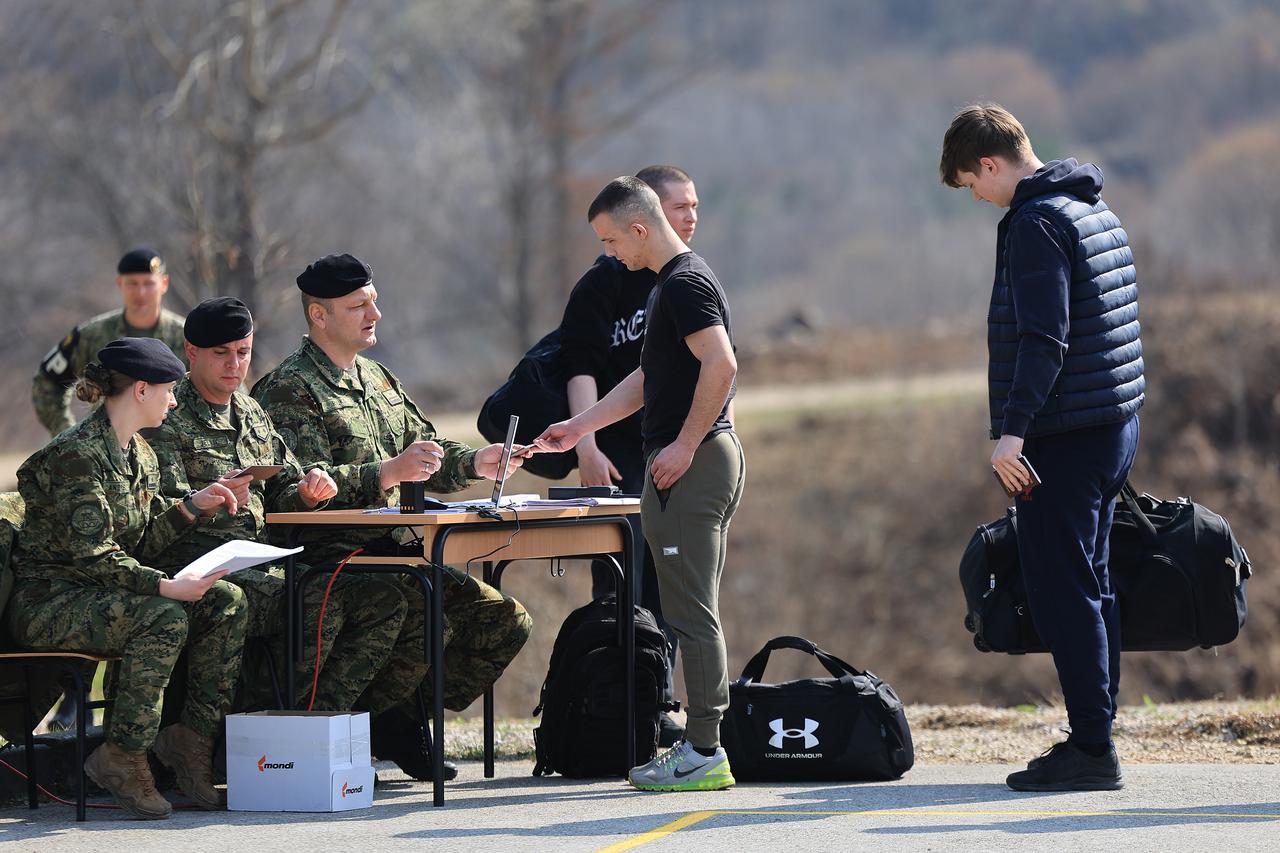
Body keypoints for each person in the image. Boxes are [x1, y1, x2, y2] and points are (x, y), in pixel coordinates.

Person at [251, 253, 533, 781]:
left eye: (374, 301)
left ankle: (393, 715)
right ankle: (353, 733)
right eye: (358, 306)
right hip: (328, 557)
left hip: (390, 554)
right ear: (319, 315)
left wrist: (476, 461)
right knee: (422, 613)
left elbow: (425, 451)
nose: (374, 314)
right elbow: (297, 488)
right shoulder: (289, 388)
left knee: (501, 619)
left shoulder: (377, 378)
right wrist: (384, 473)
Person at [940, 103, 1144, 791]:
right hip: (1113, 424)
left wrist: (1012, 431)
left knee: (1063, 590)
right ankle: (1097, 730)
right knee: (1093, 580)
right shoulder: (1090, 206)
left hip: (1063, 435)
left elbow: (1045, 339)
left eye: (972, 183)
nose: (977, 196)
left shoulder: (1035, 224)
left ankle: (1091, 749)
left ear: (989, 163)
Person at [534, 177, 745, 792]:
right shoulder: (667, 285)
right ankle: (701, 747)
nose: (609, 253)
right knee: (685, 607)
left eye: (610, 240)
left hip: (694, 463)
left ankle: (703, 750)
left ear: (639, 229)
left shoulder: (683, 283)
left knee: (689, 612)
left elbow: (723, 364)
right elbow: (649, 378)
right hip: (685, 460)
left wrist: (685, 444)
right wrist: (581, 428)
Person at [8, 337, 249, 819]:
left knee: (225, 601)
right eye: (169, 390)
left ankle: (189, 743)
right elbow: (94, 556)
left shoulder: (139, 452)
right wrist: (165, 586)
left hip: (104, 593)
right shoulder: (76, 456)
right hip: (51, 602)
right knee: (163, 616)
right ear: (141, 390)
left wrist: (191, 507)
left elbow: (141, 540)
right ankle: (123, 755)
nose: (174, 401)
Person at [147, 296, 408, 715]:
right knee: (317, 601)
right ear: (191, 352)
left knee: (381, 600)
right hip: (196, 566)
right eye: (221, 353)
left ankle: (319, 720)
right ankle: (254, 723)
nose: (234, 364)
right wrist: (206, 503)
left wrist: (307, 494)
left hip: (260, 561)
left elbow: (286, 487)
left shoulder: (251, 412)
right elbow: (156, 513)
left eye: (243, 352)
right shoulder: (166, 415)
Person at [557, 164, 701, 747]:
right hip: (618, 457)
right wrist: (586, 448)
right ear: (646, 216)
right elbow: (581, 367)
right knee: (623, 583)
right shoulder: (603, 283)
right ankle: (618, 702)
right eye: (678, 206)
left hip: (674, 453)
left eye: (694, 206)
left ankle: (659, 701)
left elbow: (715, 368)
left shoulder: (684, 280)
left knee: (673, 583)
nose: (689, 217)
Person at [33, 248, 187, 436]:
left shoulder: (186, 337)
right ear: (120, 283)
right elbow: (46, 383)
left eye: (148, 283)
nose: (141, 292)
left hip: (169, 447)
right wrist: (69, 434)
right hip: (106, 447)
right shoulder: (92, 334)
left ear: (164, 284)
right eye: (133, 283)